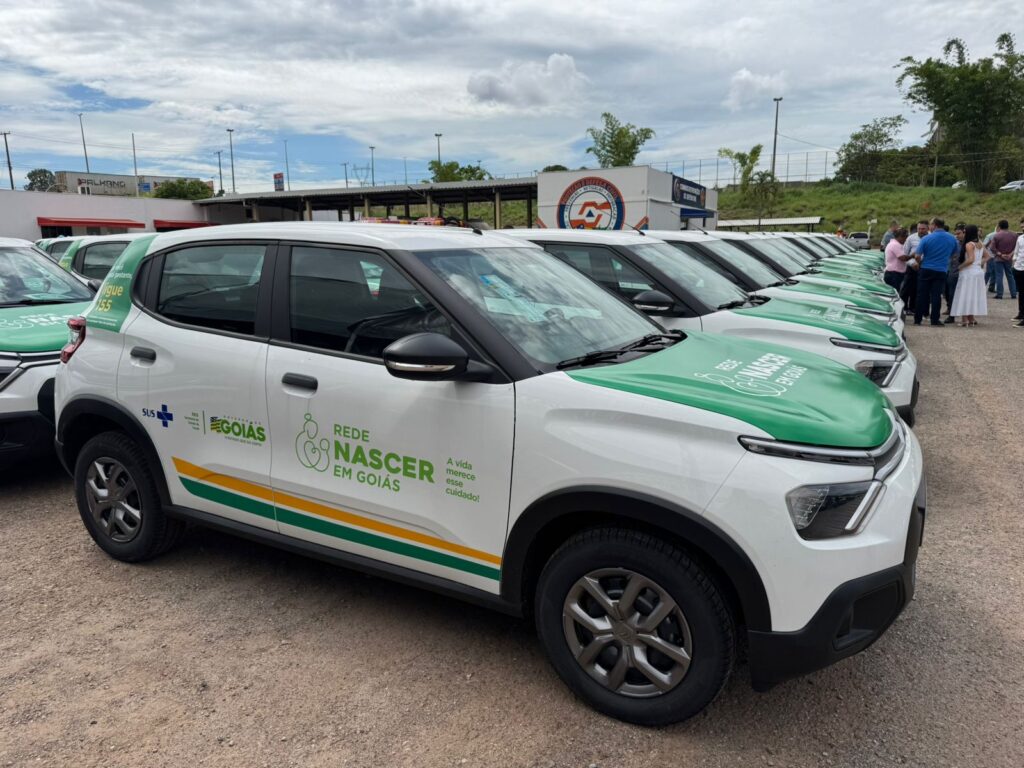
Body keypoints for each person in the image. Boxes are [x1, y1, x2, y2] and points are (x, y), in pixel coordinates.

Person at [914, 217, 958, 326]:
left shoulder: (926, 238)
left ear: (935, 225)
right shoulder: (952, 238)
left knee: (921, 294)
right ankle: (934, 319)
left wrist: (920, 263)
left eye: (930, 224)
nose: (929, 226)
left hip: (926, 268)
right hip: (941, 269)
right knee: (936, 295)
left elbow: (917, 255)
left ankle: (918, 319)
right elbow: (954, 254)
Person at [949, 225, 988, 326]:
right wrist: (979, 263)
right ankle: (971, 318)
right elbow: (987, 256)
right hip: (978, 272)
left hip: (968, 272)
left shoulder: (969, 244)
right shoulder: (980, 243)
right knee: (973, 294)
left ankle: (964, 320)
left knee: (965, 294)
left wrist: (960, 267)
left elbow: (971, 259)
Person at [901, 220, 929, 314]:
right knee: (906, 288)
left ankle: (914, 308)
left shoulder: (931, 238)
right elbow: (905, 254)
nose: (921, 231)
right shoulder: (911, 238)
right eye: (919, 229)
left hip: (925, 267)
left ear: (928, 228)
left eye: (923, 229)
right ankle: (903, 308)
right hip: (912, 267)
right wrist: (912, 263)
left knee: (919, 290)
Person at [989, 220, 1019, 300]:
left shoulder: (997, 236)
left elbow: (992, 248)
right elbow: (1017, 247)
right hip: (1009, 258)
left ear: (999, 226)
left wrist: (1000, 254)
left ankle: (999, 294)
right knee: (1010, 275)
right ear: (1008, 225)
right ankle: (1013, 293)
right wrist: (1010, 254)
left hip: (999, 258)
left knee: (999, 276)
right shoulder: (1014, 235)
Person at [944, 224, 966, 322]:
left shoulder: (968, 244)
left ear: (964, 233)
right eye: (956, 234)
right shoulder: (954, 242)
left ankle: (954, 315)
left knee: (960, 294)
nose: (957, 236)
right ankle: (950, 310)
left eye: (959, 233)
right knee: (949, 293)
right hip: (952, 270)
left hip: (963, 271)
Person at [983, 224, 999, 292]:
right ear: (998, 228)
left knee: (993, 272)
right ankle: (983, 286)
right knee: (989, 272)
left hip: (995, 256)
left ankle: (991, 287)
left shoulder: (990, 235)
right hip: (991, 256)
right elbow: (984, 245)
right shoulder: (990, 235)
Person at [1014, 231, 1024, 326]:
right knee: (1021, 292)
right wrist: (1014, 261)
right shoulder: (1020, 238)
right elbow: (1016, 252)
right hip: (1019, 267)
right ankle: (1021, 313)